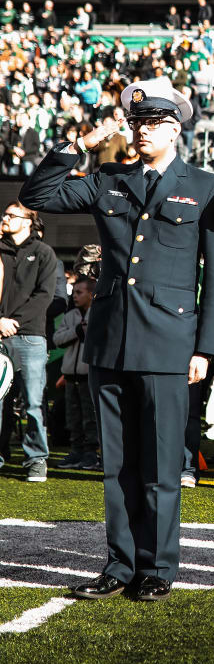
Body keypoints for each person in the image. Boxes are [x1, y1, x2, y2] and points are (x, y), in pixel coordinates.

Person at [21, 77, 214, 602]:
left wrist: (206, 348)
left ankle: (157, 566)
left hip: (169, 342)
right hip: (111, 341)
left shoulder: (207, 188)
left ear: (176, 129)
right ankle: (118, 565)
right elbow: (37, 194)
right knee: (116, 465)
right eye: (137, 123)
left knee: (162, 465)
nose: (143, 131)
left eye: (155, 123)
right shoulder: (108, 178)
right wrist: (81, 147)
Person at [0, 201, 60, 481]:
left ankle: (36, 459)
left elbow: (44, 296)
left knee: (33, 402)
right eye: (5, 214)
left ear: (28, 221)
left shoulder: (44, 253)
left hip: (30, 338)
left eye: (12, 215)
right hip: (0, 333)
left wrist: (13, 321)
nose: (5, 218)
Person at [52, 275, 98, 471]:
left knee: (90, 416)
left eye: (79, 292)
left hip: (88, 376)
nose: (75, 296)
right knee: (73, 417)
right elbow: (57, 338)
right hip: (71, 376)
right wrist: (77, 332)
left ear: (91, 294)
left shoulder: (98, 314)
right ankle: (76, 450)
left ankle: (91, 452)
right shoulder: (71, 316)